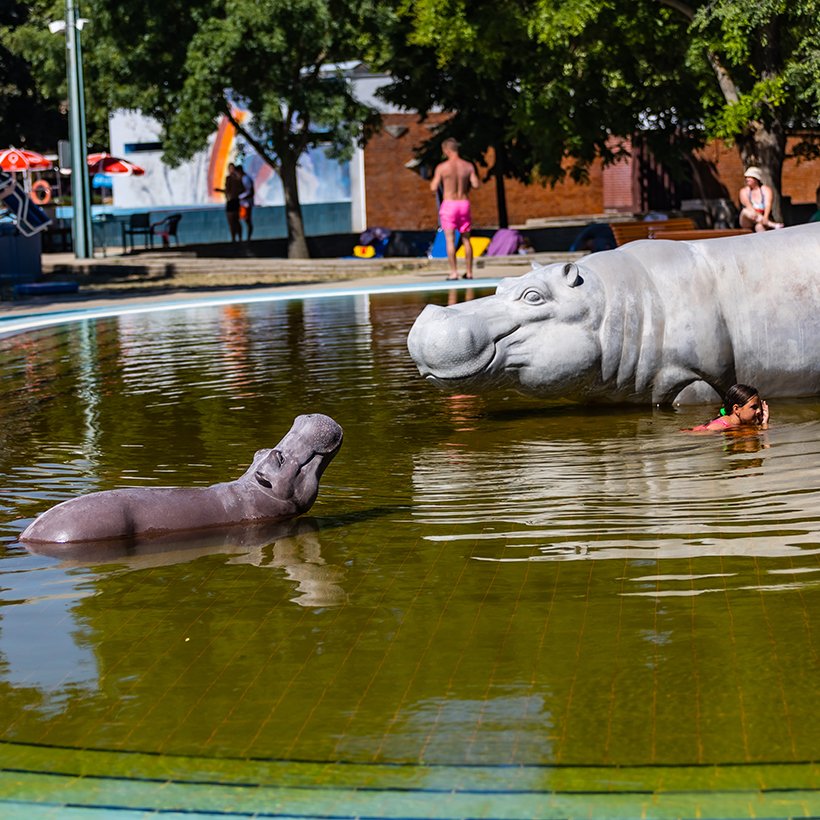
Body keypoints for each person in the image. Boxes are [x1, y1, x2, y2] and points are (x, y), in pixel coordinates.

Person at [430, 138, 480, 280]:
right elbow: (476, 184)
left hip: (449, 204)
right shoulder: (468, 166)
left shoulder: (442, 167)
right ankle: (469, 272)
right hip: (463, 204)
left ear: (446, 150)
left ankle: (454, 272)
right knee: (466, 239)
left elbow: (433, 187)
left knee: (450, 240)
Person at [685, 384, 770, 432]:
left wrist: (764, 422)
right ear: (736, 409)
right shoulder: (719, 427)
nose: (759, 411)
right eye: (754, 407)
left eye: (758, 407)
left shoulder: (743, 423)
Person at [738, 167, 783, 232]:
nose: (747, 179)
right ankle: (772, 224)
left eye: (749, 177)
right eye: (746, 177)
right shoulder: (744, 191)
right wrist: (758, 216)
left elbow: (768, 204)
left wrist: (765, 217)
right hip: (748, 220)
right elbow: (748, 205)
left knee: (759, 227)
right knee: (745, 211)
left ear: (756, 178)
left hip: (762, 219)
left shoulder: (765, 190)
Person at [214, 163, 242, 242]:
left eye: (232, 168)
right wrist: (220, 191)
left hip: (235, 201)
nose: (231, 170)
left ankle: (239, 238)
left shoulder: (238, 179)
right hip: (230, 201)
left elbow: (240, 189)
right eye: (230, 168)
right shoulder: (228, 178)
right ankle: (233, 238)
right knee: (231, 221)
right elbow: (227, 190)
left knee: (236, 220)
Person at [237, 164, 255, 242]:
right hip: (243, 203)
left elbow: (250, 192)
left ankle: (248, 238)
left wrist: (240, 197)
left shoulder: (246, 179)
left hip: (246, 203)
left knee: (247, 220)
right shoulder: (242, 178)